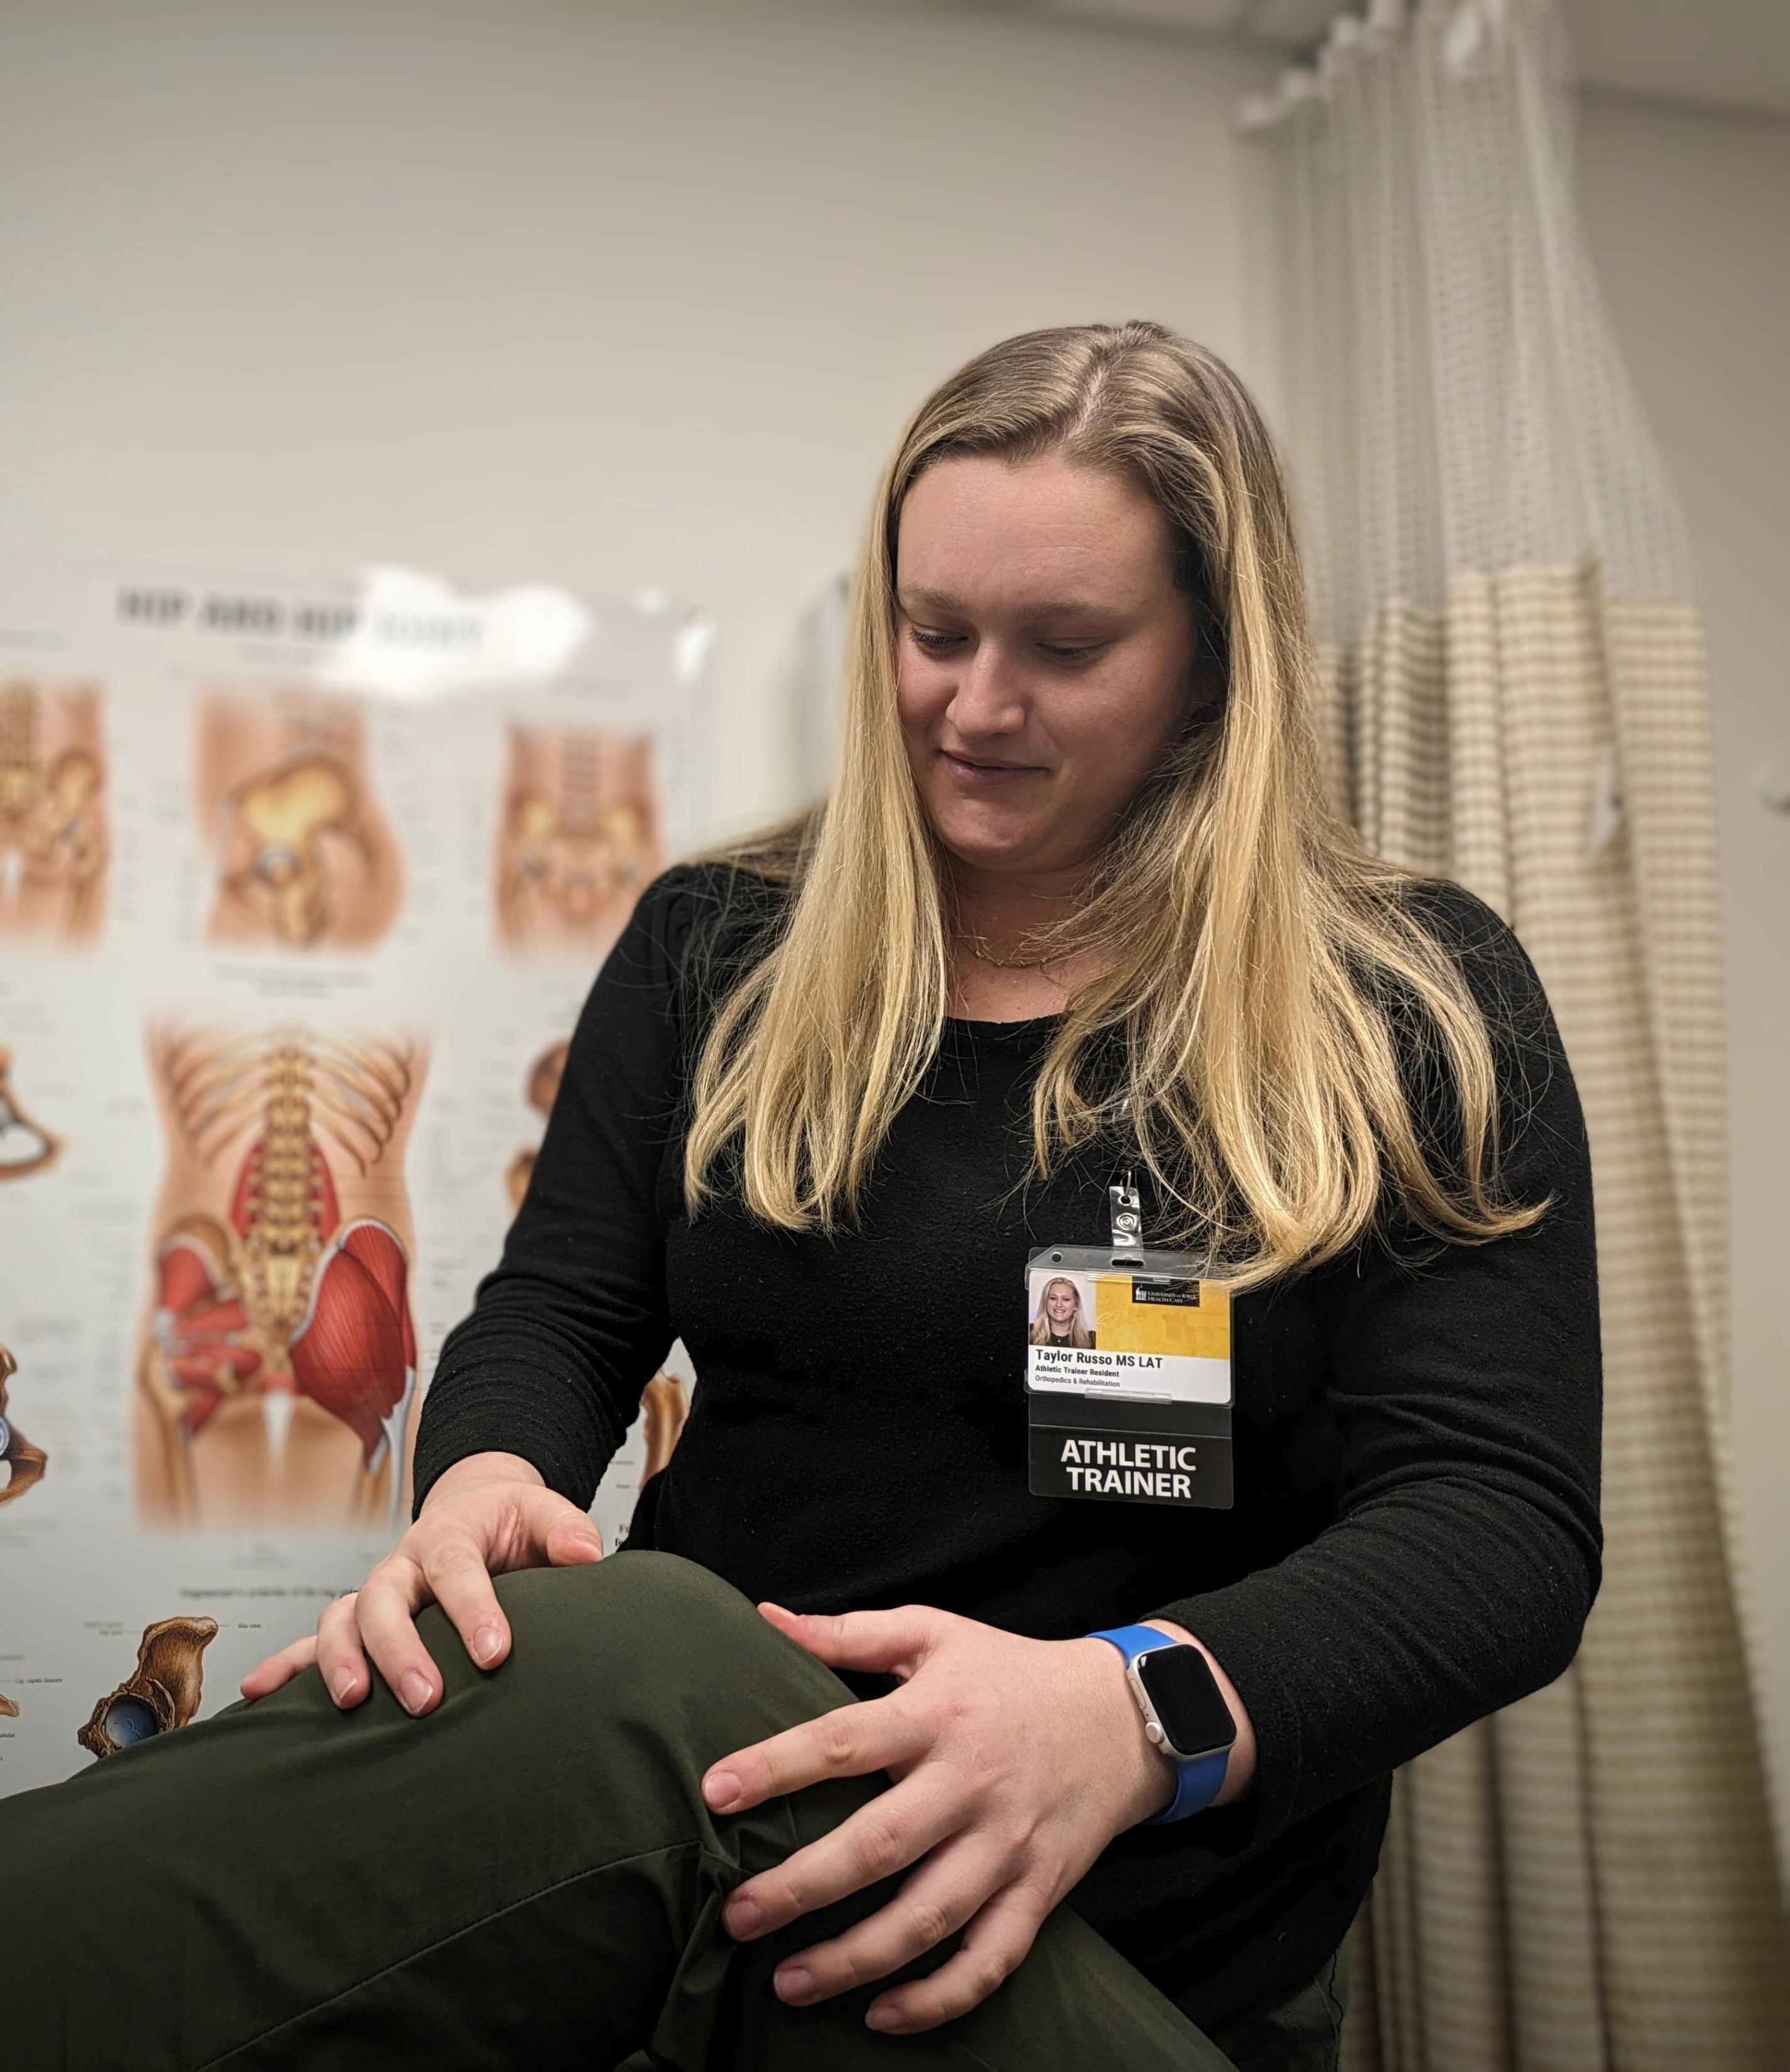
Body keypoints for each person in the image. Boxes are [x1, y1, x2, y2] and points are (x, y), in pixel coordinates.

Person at [4, 322, 1600, 2072]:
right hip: (698, 1875)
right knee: (635, 1668)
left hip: (1142, 1939)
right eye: (931, 634)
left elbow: (1496, 1524)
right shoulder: (721, 943)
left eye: (1063, 648)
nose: (974, 706)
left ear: (1220, 661)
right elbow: (566, 1306)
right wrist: (483, 1485)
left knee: (649, 1662)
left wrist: (1123, 1711)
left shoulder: (1406, 1002)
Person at [1029, 1274, 1094, 1349]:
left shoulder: (1092, 1339)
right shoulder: (1029, 1332)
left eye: (1066, 1299)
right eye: (1053, 1298)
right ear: (1046, 1302)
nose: (1059, 1305)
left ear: (1076, 1305)